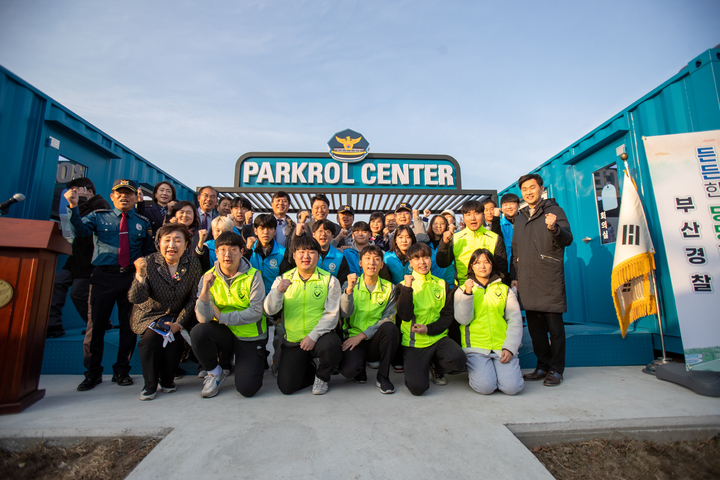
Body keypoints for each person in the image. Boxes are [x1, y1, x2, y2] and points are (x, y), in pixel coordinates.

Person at [65, 179, 154, 391]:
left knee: (128, 327)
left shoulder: (143, 222)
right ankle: (92, 373)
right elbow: (80, 231)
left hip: (131, 279)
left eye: (129, 193)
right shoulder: (98, 217)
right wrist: (73, 207)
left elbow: (148, 250)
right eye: (120, 193)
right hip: (103, 277)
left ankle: (121, 370)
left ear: (135, 198)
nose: (124, 197)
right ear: (112, 196)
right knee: (95, 327)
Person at [511, 173, 573, 387]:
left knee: (555, 329)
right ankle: (542, 366)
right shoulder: (519, 217)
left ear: (541, 189)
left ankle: (557, 369)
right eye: (525, 189)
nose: (528, 192)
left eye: (532, 187)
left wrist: (554, 228)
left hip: (548, 279)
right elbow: (515, 250)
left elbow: (568, 238)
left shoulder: (554, 211)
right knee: (536, 330)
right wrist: (515, 277)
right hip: (527, 279)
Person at [129, 224, 203, 400]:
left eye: (178, 240)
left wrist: (180, 322)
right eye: (167, 240)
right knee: (150, 340)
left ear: (186, 245)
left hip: (177, 315)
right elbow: (136, 298)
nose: (172, 245)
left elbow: (194, 298)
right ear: (158, 243)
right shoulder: (148, 263)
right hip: (150, 315)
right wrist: (140, 275)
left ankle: (168, 380)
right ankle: (150, 385)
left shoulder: (192, 264)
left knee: (176, 340)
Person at [264, 236, 343, 395]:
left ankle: (323, 376)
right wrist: (278, 292)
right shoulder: (282, 279)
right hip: (294, 341)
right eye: (301, 252)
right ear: (293, 255)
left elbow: (332, 315)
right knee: (286, 387)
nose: (306, 256)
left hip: (320, 338)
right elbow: (269, 310)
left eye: (311, 252)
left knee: (332, 344)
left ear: (319, 256)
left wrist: (313, 336)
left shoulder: (330, 281)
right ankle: (310, 367)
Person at [192, 231, 267, 398]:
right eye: (222, 249)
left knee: (247, 389)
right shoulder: (208, 277)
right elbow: (203, 319)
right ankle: (214, 372)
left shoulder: (254, 276)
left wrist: (221, 317)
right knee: (199, 332)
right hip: (223, 333)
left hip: (249, 336)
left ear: (241, 251)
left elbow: (256, 312)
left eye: (233, 249)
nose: (227, 254)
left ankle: (244, 364)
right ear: (216, 253)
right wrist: (205, 291)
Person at [396, 243, 466, 395]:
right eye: (417, 258)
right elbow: (405, 316)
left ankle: (436, 366)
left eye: (426, 257)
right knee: (417, 388)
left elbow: (447, 316)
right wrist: (408, 288)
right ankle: (422, 365)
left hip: (438, 338)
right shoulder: (402, 286)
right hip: (415, 343)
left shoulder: (441, 284)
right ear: (409, 262)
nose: (422, 262)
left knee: (458, 359)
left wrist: (429, 329)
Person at [48, 177, 112, 338]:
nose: (73, 194)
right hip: (75, 257)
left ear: (88, 191)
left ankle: (101, 323)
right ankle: (53, 325)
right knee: (57, 283)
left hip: (91, 260)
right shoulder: (74, 204)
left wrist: (80, 202)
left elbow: (84, 225)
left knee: (78, 293)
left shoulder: (101, 204)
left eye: (77, 191)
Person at [454, 249, 523, 395]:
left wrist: (510, 348)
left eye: (487, 262)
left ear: (492, 265)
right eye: (477, 263)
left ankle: (500, 372)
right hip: (476, 348)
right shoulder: (462, 290)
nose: (482, 266)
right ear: (471, 267)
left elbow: (515, 320)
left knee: (512, 388)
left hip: (501, 348)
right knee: (485, 388)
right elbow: (463, 319)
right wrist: (468, 294)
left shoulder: (505, 290)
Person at [338, 245, 399, 393]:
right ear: (360, 263)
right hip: (353, 340)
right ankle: (359, 368)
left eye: (377, 259)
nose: (372, 263)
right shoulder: (349, 285)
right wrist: (349, 292)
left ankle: (383, 377)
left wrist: (363, 335)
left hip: (375, 341)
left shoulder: (390, 288)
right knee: (349, 371)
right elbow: (344, 314)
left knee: (390, 329)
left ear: (382, 264)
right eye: (367, 259)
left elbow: (389, 318)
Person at [435, 199, 508, 285]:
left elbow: (501, 269)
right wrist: (444, 243)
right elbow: (442, 263)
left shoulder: (495, 238)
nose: (473, 218)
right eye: (468, 214)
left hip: (488, 289)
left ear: (483, 215)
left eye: (477, 213)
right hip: (463, 289)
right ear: (463, 218)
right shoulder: (455, 238)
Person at [246, 214, 289, 294]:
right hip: (251, 299)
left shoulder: (283, 253)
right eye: (262, 228)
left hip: (273, 299)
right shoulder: (248, 250)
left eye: (270, 228)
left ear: (275, 231)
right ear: (255, 231)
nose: (265, 232)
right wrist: (247, 251)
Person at [427, 215, 456, 286]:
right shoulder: (426, 243)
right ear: (431, 225)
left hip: (448, 284)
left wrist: (451, 232)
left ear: (447, 226)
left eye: (442, 223)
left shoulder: (452, 242)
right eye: (435, 223)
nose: (439, 226)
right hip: (430, 285)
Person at [499, 193, 520, 269]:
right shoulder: (499, 225)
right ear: (501, 208)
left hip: (524, 268)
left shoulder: (527, 222)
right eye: (505, 204)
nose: (508, 207)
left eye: (511, 203)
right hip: (506, 267)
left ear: (518, 205)